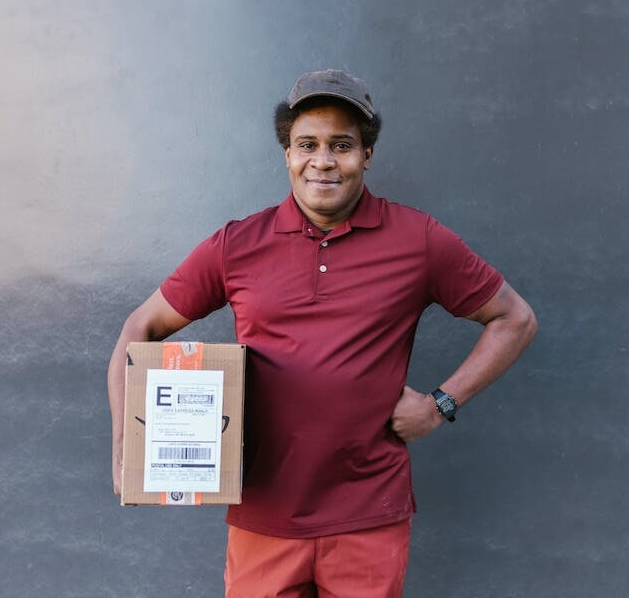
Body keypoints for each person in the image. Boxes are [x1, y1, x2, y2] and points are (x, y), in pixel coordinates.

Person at [107, 69, 537, 597]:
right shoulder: (236, 245)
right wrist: (129, 445)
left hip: (368, 513)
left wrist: (440, 404)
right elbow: (141, 327)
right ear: (287, 153)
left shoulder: (418, 240)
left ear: (367, 155)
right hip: (263, 512)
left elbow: (514, 318)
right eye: (306, 144)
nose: (324, 160)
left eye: (342, 145)